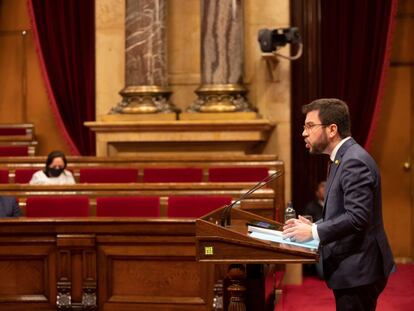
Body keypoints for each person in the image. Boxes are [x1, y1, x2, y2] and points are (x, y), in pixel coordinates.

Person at [283, 98, 394, 311]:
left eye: (310, 126)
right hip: (353, 266)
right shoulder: (340, 158)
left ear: (332, 129)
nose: (304, 133)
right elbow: (344, 211)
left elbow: (357, 218)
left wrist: (314, 231)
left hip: (359, 269)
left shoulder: (353, 161)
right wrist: (313, 225)